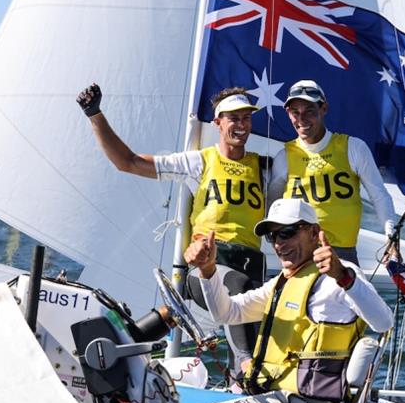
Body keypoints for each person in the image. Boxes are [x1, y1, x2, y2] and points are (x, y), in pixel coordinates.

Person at [167, 198, 393, 403]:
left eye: (287, 232)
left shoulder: (337, 277)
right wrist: (208, 270)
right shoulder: (282, 282)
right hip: (281, 401)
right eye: (272, 236)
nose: (278, 243)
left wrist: (343, 276)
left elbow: (384, 322)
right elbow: (228, 312)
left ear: (313, 232)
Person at [76, 83, 266, 380]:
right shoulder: (199, 162)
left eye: (246, 118)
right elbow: (128, 162)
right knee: (237, 291)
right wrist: (94, 114)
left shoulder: (263, 168)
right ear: (218, 123)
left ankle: (242, 386)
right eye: (233, 118)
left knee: (267, 314)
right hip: (208, 269)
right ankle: (246, 367)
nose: (241, 125)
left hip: (251, 269)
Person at [268, 80, 398, 265]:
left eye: (309, 111)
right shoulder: (284, 156)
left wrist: (391, 234)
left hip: (343, 254)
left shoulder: (354, 147)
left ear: (324, 109)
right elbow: (273, 204)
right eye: (295, 113)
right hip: (300, 255)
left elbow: (378, 194)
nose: (301, 119)